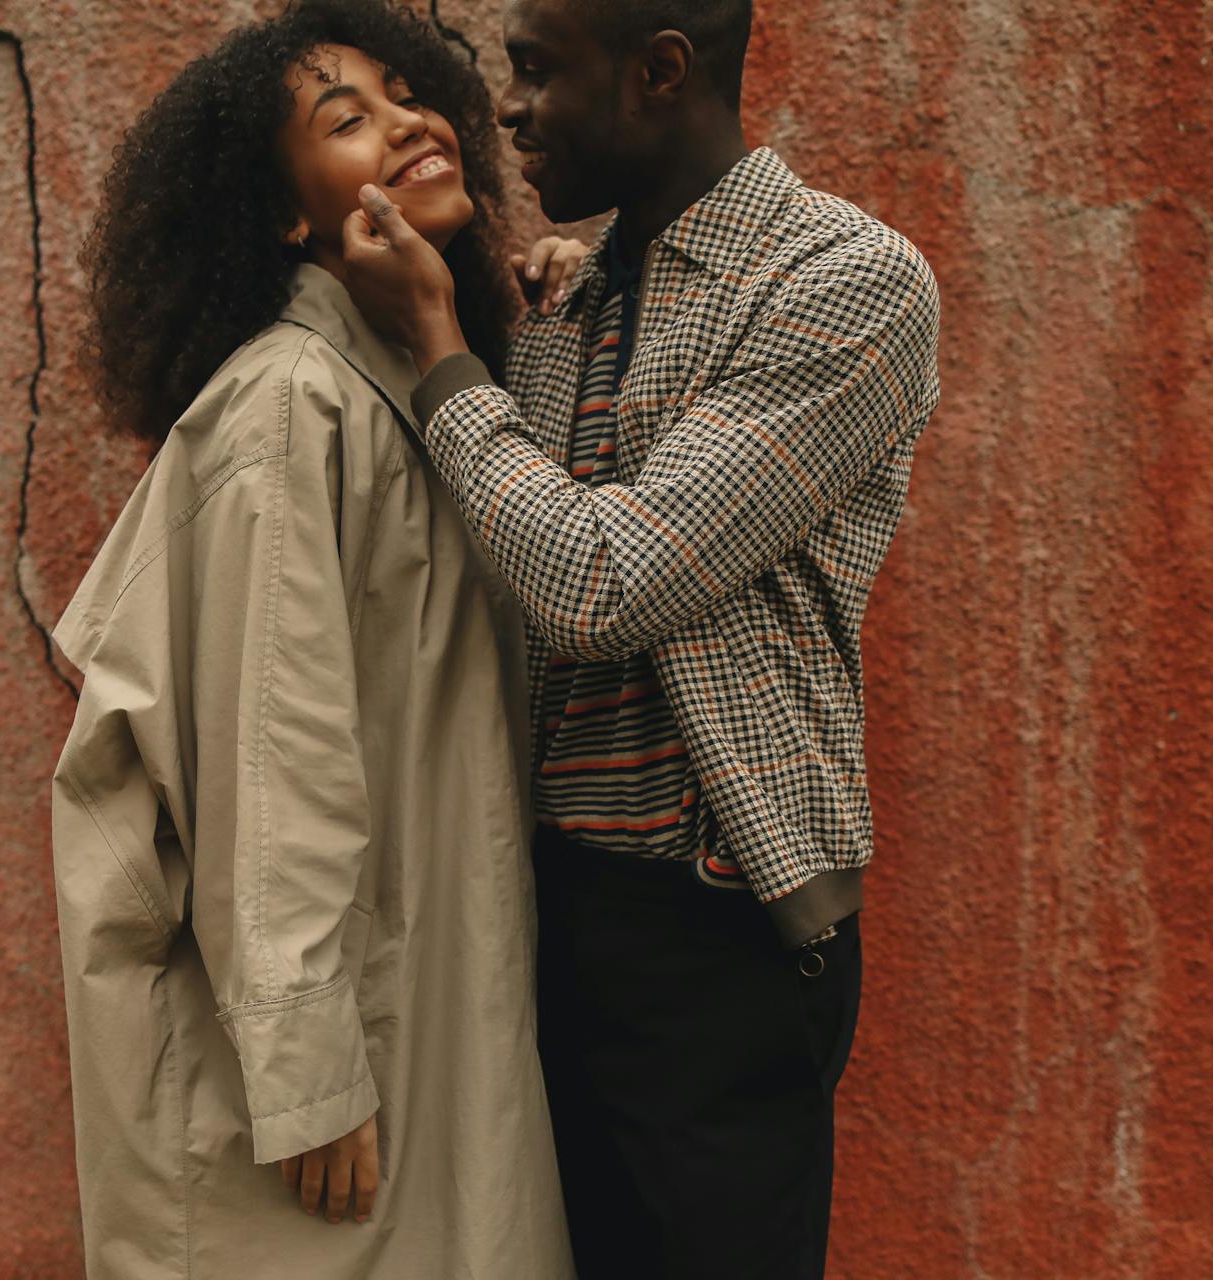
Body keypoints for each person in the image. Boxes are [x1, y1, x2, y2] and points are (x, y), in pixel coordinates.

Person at [338, 1, 942, 1276]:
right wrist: (511, 321)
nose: (503, 109)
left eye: (537, 73)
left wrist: (441, 345)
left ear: (660, 72)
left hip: (713, 942)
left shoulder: (848, 282)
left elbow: (605, 580)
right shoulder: (570, 293)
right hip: (533, 910)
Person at [48, 2, 579, 1274]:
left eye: (408, 93)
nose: (405, 122)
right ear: (289, 216)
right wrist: (306, 1069)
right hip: (329, 1080)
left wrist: (549, 313)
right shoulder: (291, 407)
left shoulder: (412, 387)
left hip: (428, 1002)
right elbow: (265, 763)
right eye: (347, 119)